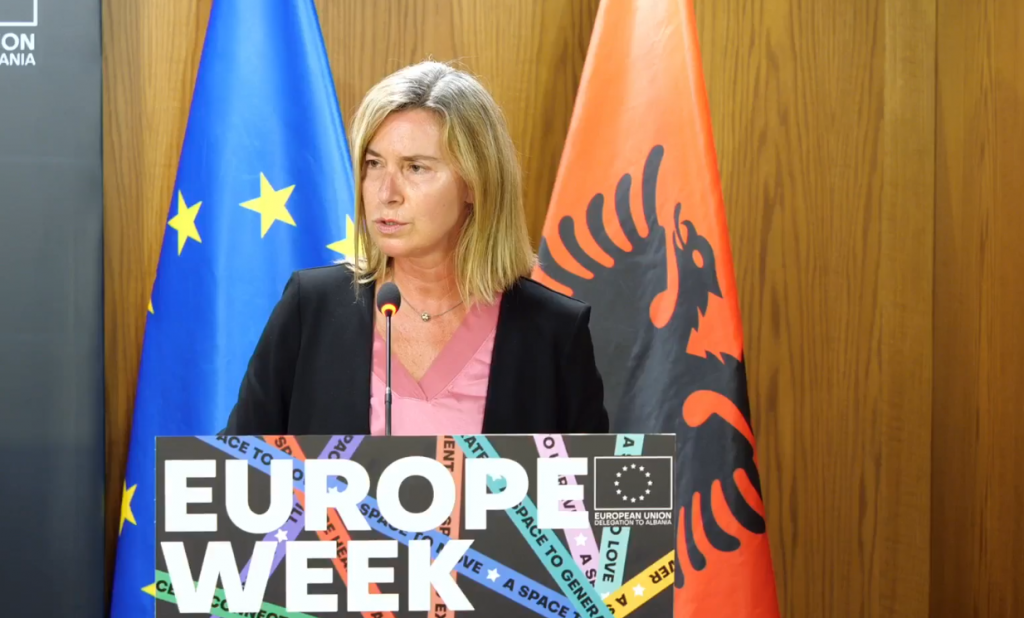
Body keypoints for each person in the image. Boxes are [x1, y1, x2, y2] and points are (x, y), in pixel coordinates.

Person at [223, 61, 608, 436]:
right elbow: (236, 465)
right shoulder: (311, 308)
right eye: (374, 164)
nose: (386, 193)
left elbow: (591, 479)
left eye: (415, 168)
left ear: (475, 183)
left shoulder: (553, 331)